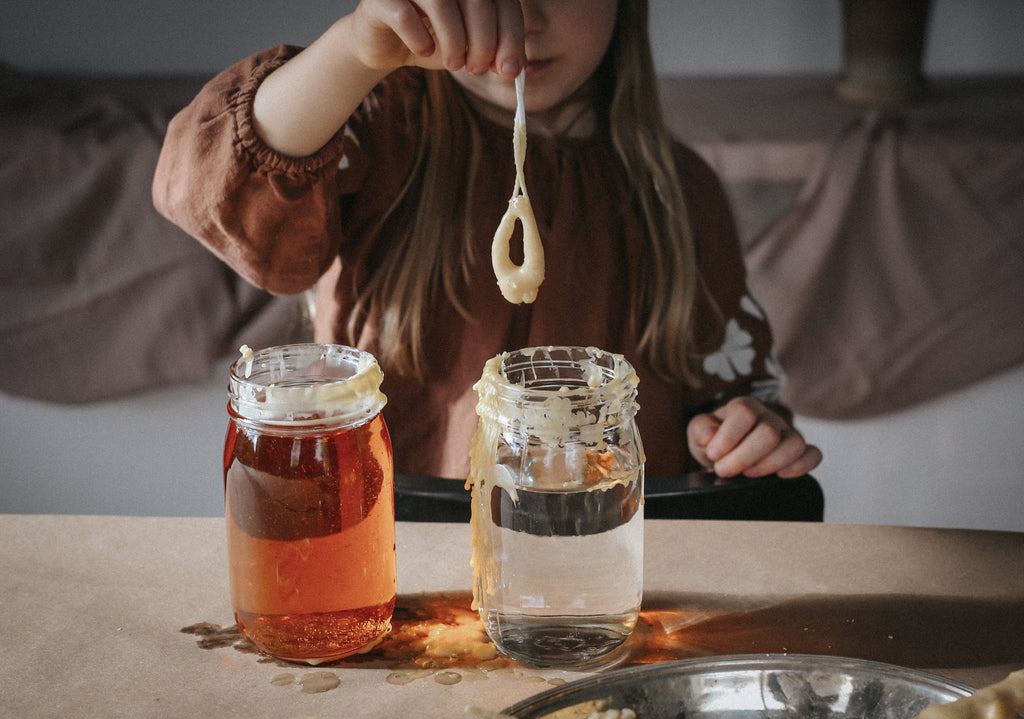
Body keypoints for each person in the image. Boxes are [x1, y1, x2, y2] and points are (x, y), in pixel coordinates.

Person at [153, 0, 821, 482]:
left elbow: (737, 401)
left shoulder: (679, 192)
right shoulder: (380, 131)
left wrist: (745, 437)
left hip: (605, 585)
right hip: (399, 570)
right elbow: (208, 186)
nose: (521, 17)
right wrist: (356, 50)